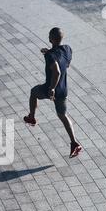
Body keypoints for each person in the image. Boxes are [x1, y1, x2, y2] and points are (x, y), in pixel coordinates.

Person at [24, 27, 82, 158]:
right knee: (63, 116)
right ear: (62, 38)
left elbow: (57, 71)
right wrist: (49, 52)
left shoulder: (50, 56)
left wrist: (51, 88)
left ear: (50, 39)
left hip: (51, 88)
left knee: (33, 92)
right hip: (63, 90)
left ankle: (32, 117)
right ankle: (74, 143)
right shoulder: (67, 49)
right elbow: (65, 64)